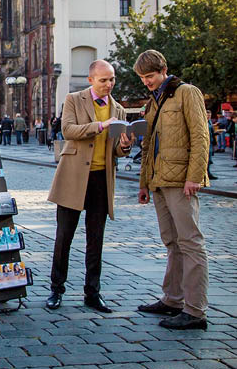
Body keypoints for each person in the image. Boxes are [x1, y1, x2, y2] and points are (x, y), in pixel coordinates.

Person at [46, 60, 132, 313]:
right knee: (64, 237)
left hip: (100, 179)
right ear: (91, 79)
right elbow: (68, 130)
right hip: (73, 177)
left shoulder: (119, 109)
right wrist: (100, 126)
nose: (109, 84)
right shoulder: (74, 99)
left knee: (96, 240)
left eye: (112, 79)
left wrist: (124, 146)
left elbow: (115, 149)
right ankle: (56, 289)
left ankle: (92, 293)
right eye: (104, 80)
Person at [134, 49, 209, 330]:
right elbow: (148, 145)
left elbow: (201, 136)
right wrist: (144, 183)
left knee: (190, 243)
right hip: (159, 181)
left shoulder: (186, 92)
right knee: (172, 242)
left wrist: (194, 176)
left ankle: (195, 310)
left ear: (163, 71)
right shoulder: (154, 100)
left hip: (181, 181)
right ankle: (173, 299)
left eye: (150, 76)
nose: (146, 82)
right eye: (142, 78)